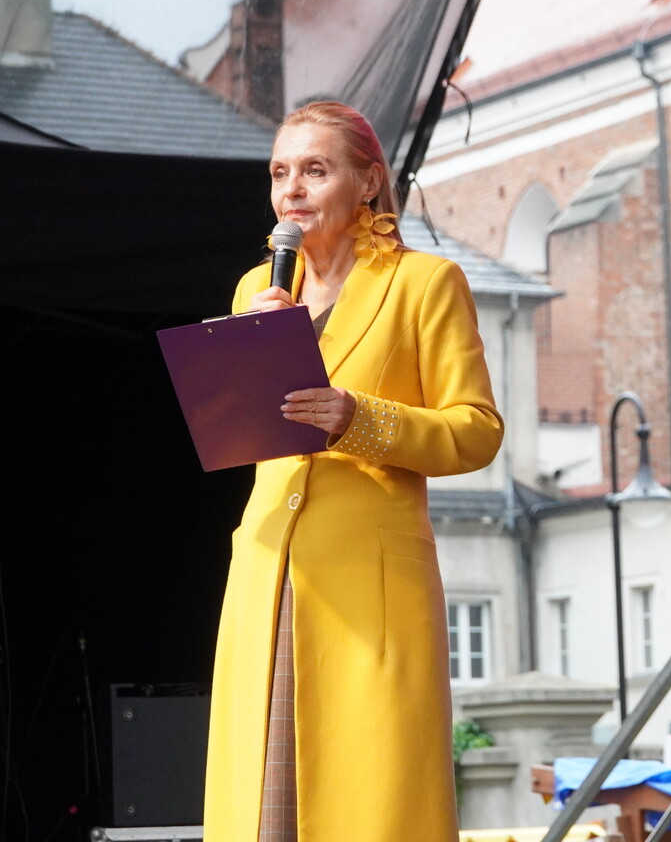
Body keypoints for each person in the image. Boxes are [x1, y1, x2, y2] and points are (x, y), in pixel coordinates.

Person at [203, 101, 504, 841]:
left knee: (368, 801)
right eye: (280, 172)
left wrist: (358, 418)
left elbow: (476, 431)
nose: (292, 189)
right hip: (269, 571)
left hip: (369, 584)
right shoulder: (256, 289)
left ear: (368, 182)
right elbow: (245, 432)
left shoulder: (425, 283)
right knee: (265, 807)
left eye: (315, 169)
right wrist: (249, 350)